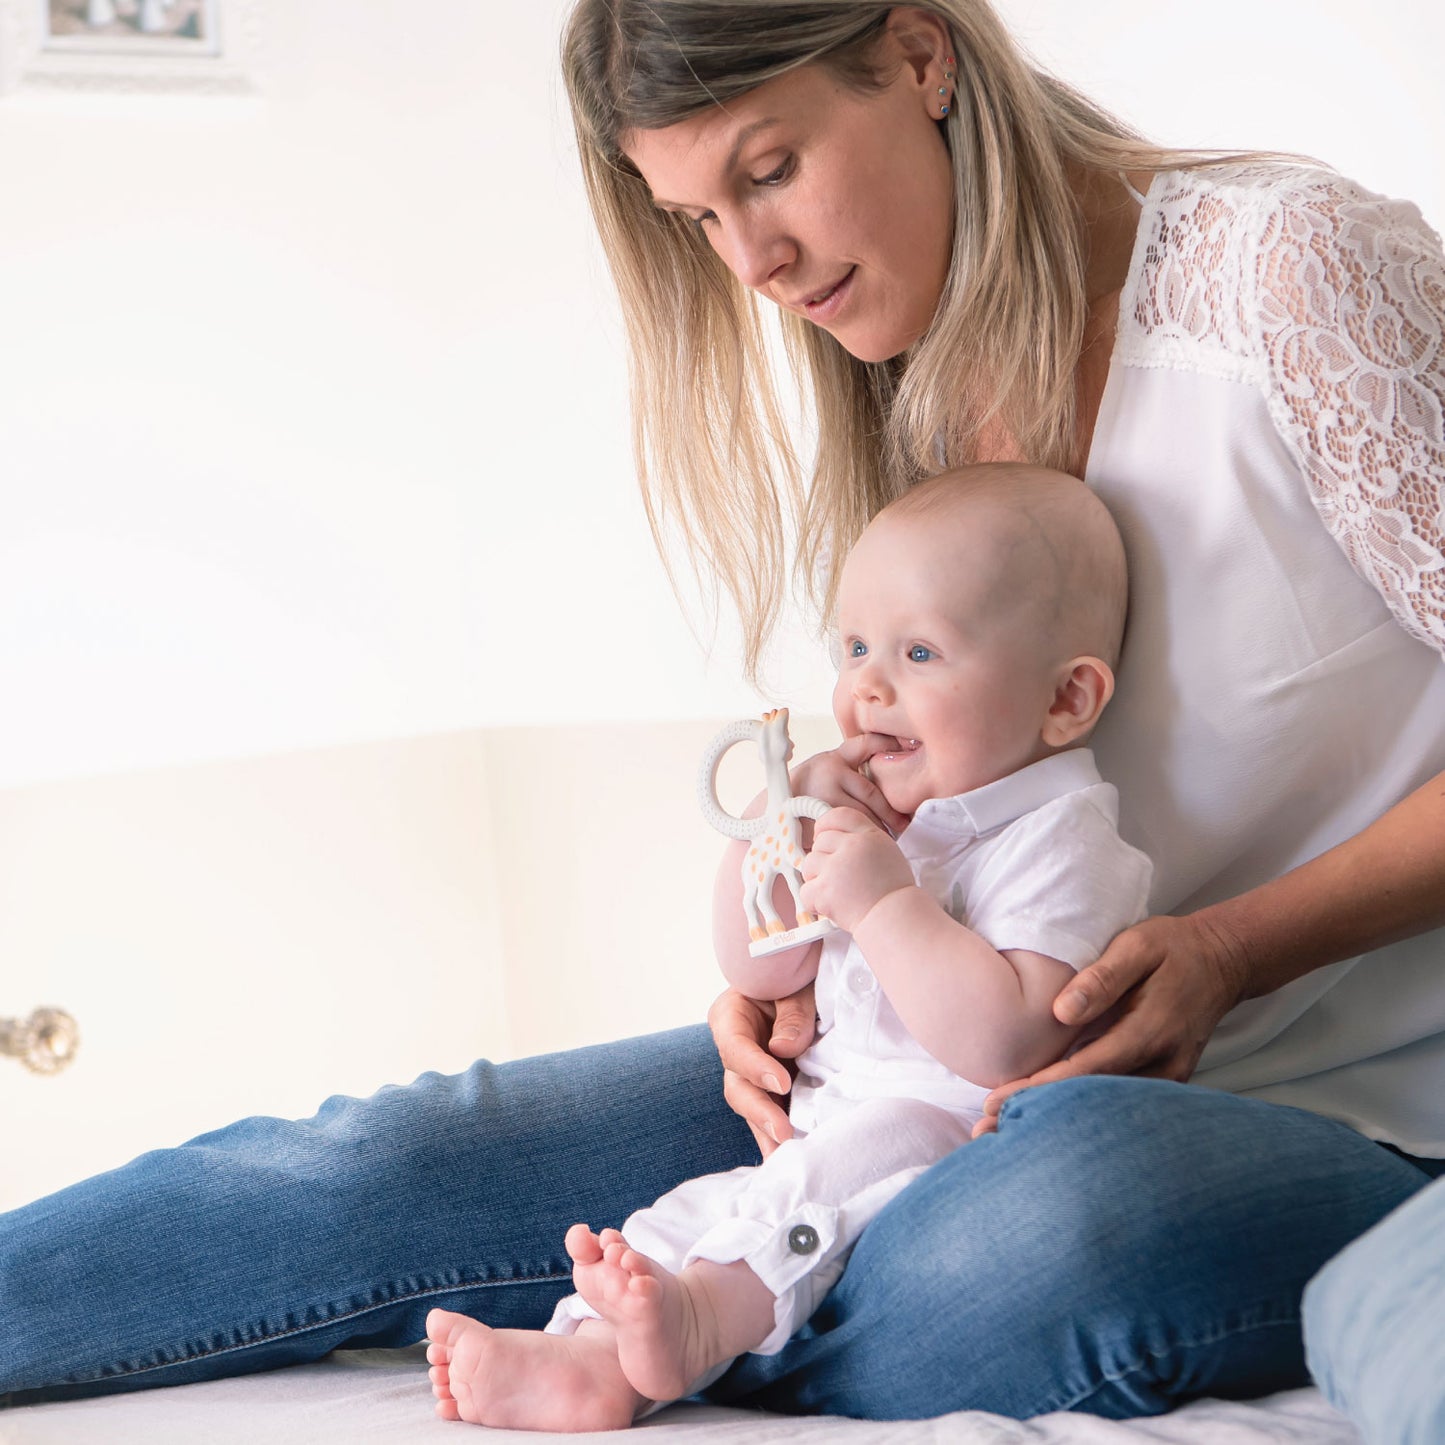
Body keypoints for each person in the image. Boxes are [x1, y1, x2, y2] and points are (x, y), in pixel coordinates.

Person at [2, 0, 1442, 1428]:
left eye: (767, 168)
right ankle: (680, 1312)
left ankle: (675, 1326)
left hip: (1337, 1110)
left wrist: (1227, 952)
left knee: (1050, 1231)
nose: (753, 263)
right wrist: (789, 981)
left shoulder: (1288, 274)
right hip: (939, 1078)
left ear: (920, 53)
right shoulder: (923, 384)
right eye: (695, 215)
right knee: (392, 1165)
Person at [424, 466, 1152, 1429]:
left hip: (947, 1136)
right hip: (818, 1129)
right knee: (688, 1218)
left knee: (810, 1189)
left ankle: (683, 1332)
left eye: (920, 650)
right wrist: (777, 831)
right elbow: (761, 968)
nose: (867, 687)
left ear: (1065, 698)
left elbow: (1007, 1041)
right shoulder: (890, 817)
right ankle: (592, 1357)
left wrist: (885, 904)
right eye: (854, 647)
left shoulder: (1065, 834)